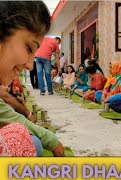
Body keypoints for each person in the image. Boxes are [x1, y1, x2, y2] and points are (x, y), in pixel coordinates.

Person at [0, 1, 64, 156]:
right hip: (46, 60)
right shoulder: (54, 43)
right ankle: (46, 89)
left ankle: (43, 90)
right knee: (20, 137)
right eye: (28, 48)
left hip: (43, 60)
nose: (29, 65)